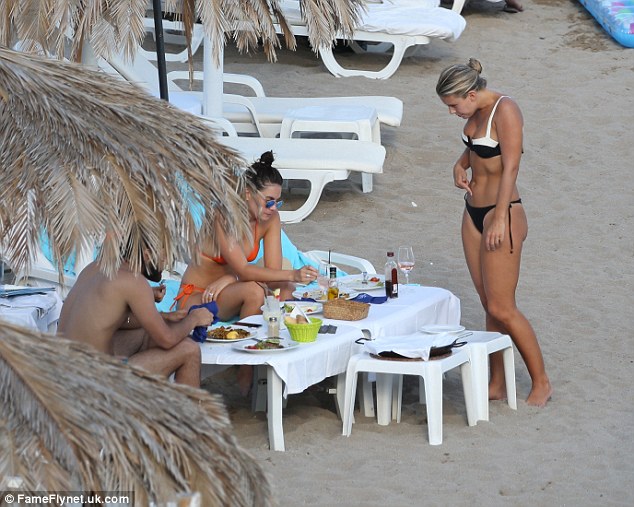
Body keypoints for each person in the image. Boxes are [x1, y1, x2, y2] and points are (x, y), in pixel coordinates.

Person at [436, 58, 552, 407]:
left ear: (471, 95)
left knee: (503, 306)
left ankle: (541, 382)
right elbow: (477, 147)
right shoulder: (476, 112)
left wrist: (500, 218)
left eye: (454, 105)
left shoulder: (506, 109)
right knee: (489, 304)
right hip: (472, 212)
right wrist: (460, 164)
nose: (452, 112)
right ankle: (498, 382)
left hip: (503, 212)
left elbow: (512, 165)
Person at [175, 151, 318, 393]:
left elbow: (272, 273)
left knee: (286, 289)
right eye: (268, 201)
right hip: (197, 295)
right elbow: (244, 268)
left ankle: (284, 358)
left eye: (277, 202)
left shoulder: (270, 219)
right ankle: (245, 368)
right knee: (255, 291)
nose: (272, 208)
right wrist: (292, 273)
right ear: (248, 193)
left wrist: (231, 278)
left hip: (229, 291)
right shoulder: (224, 216)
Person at [58, 246, 215, 388]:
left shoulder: (97, 266)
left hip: (63, 373)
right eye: (165, 255)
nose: (167, 262)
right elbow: (167, 339)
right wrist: (194, 318)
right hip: (90, 385)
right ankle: (190, 412)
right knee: (188, 349)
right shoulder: (133, 281)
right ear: (147, 254)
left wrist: (162, 316)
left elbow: (108, 320)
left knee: (147, 333)